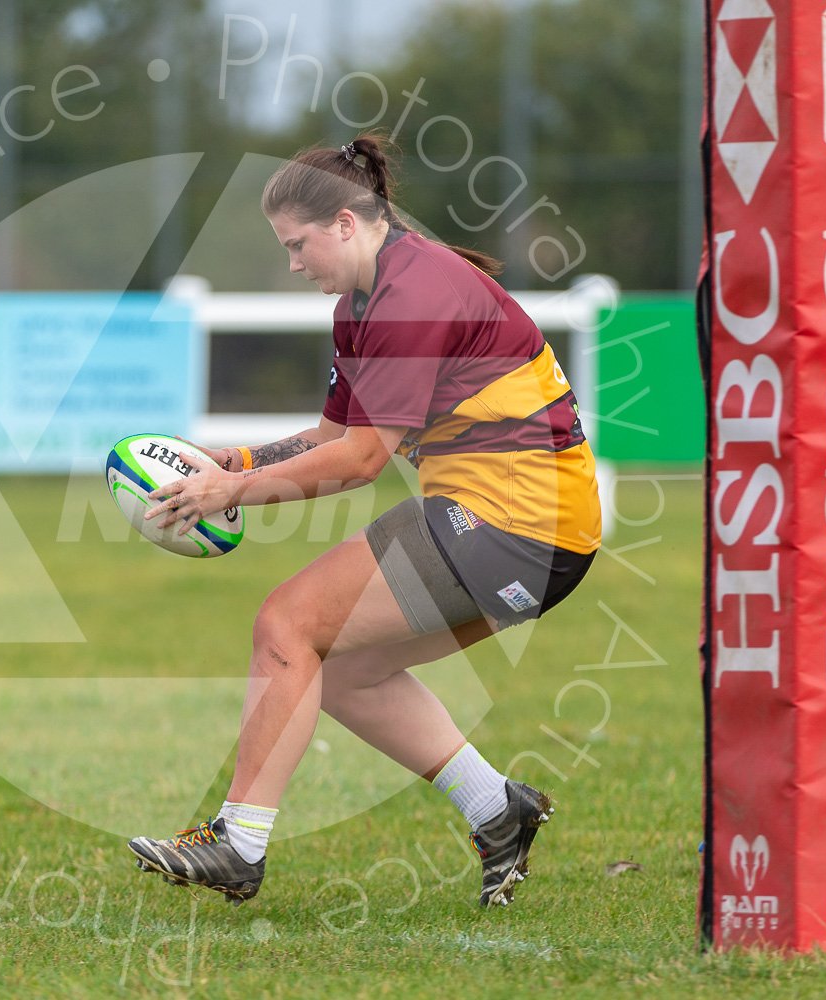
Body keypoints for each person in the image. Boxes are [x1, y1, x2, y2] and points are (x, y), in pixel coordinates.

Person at [126, 135, 601, 909]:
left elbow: (359, 463)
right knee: (343, 670)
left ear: (346, 223)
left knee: (287, 623)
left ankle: (238, 842)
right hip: (534, 531)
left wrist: (233, 494)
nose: (293, 264)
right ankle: (498, 810)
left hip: (515, 522)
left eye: (298, 244)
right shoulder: (367, 300)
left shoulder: (412, 295)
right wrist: (234, 461)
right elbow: (327, 436)